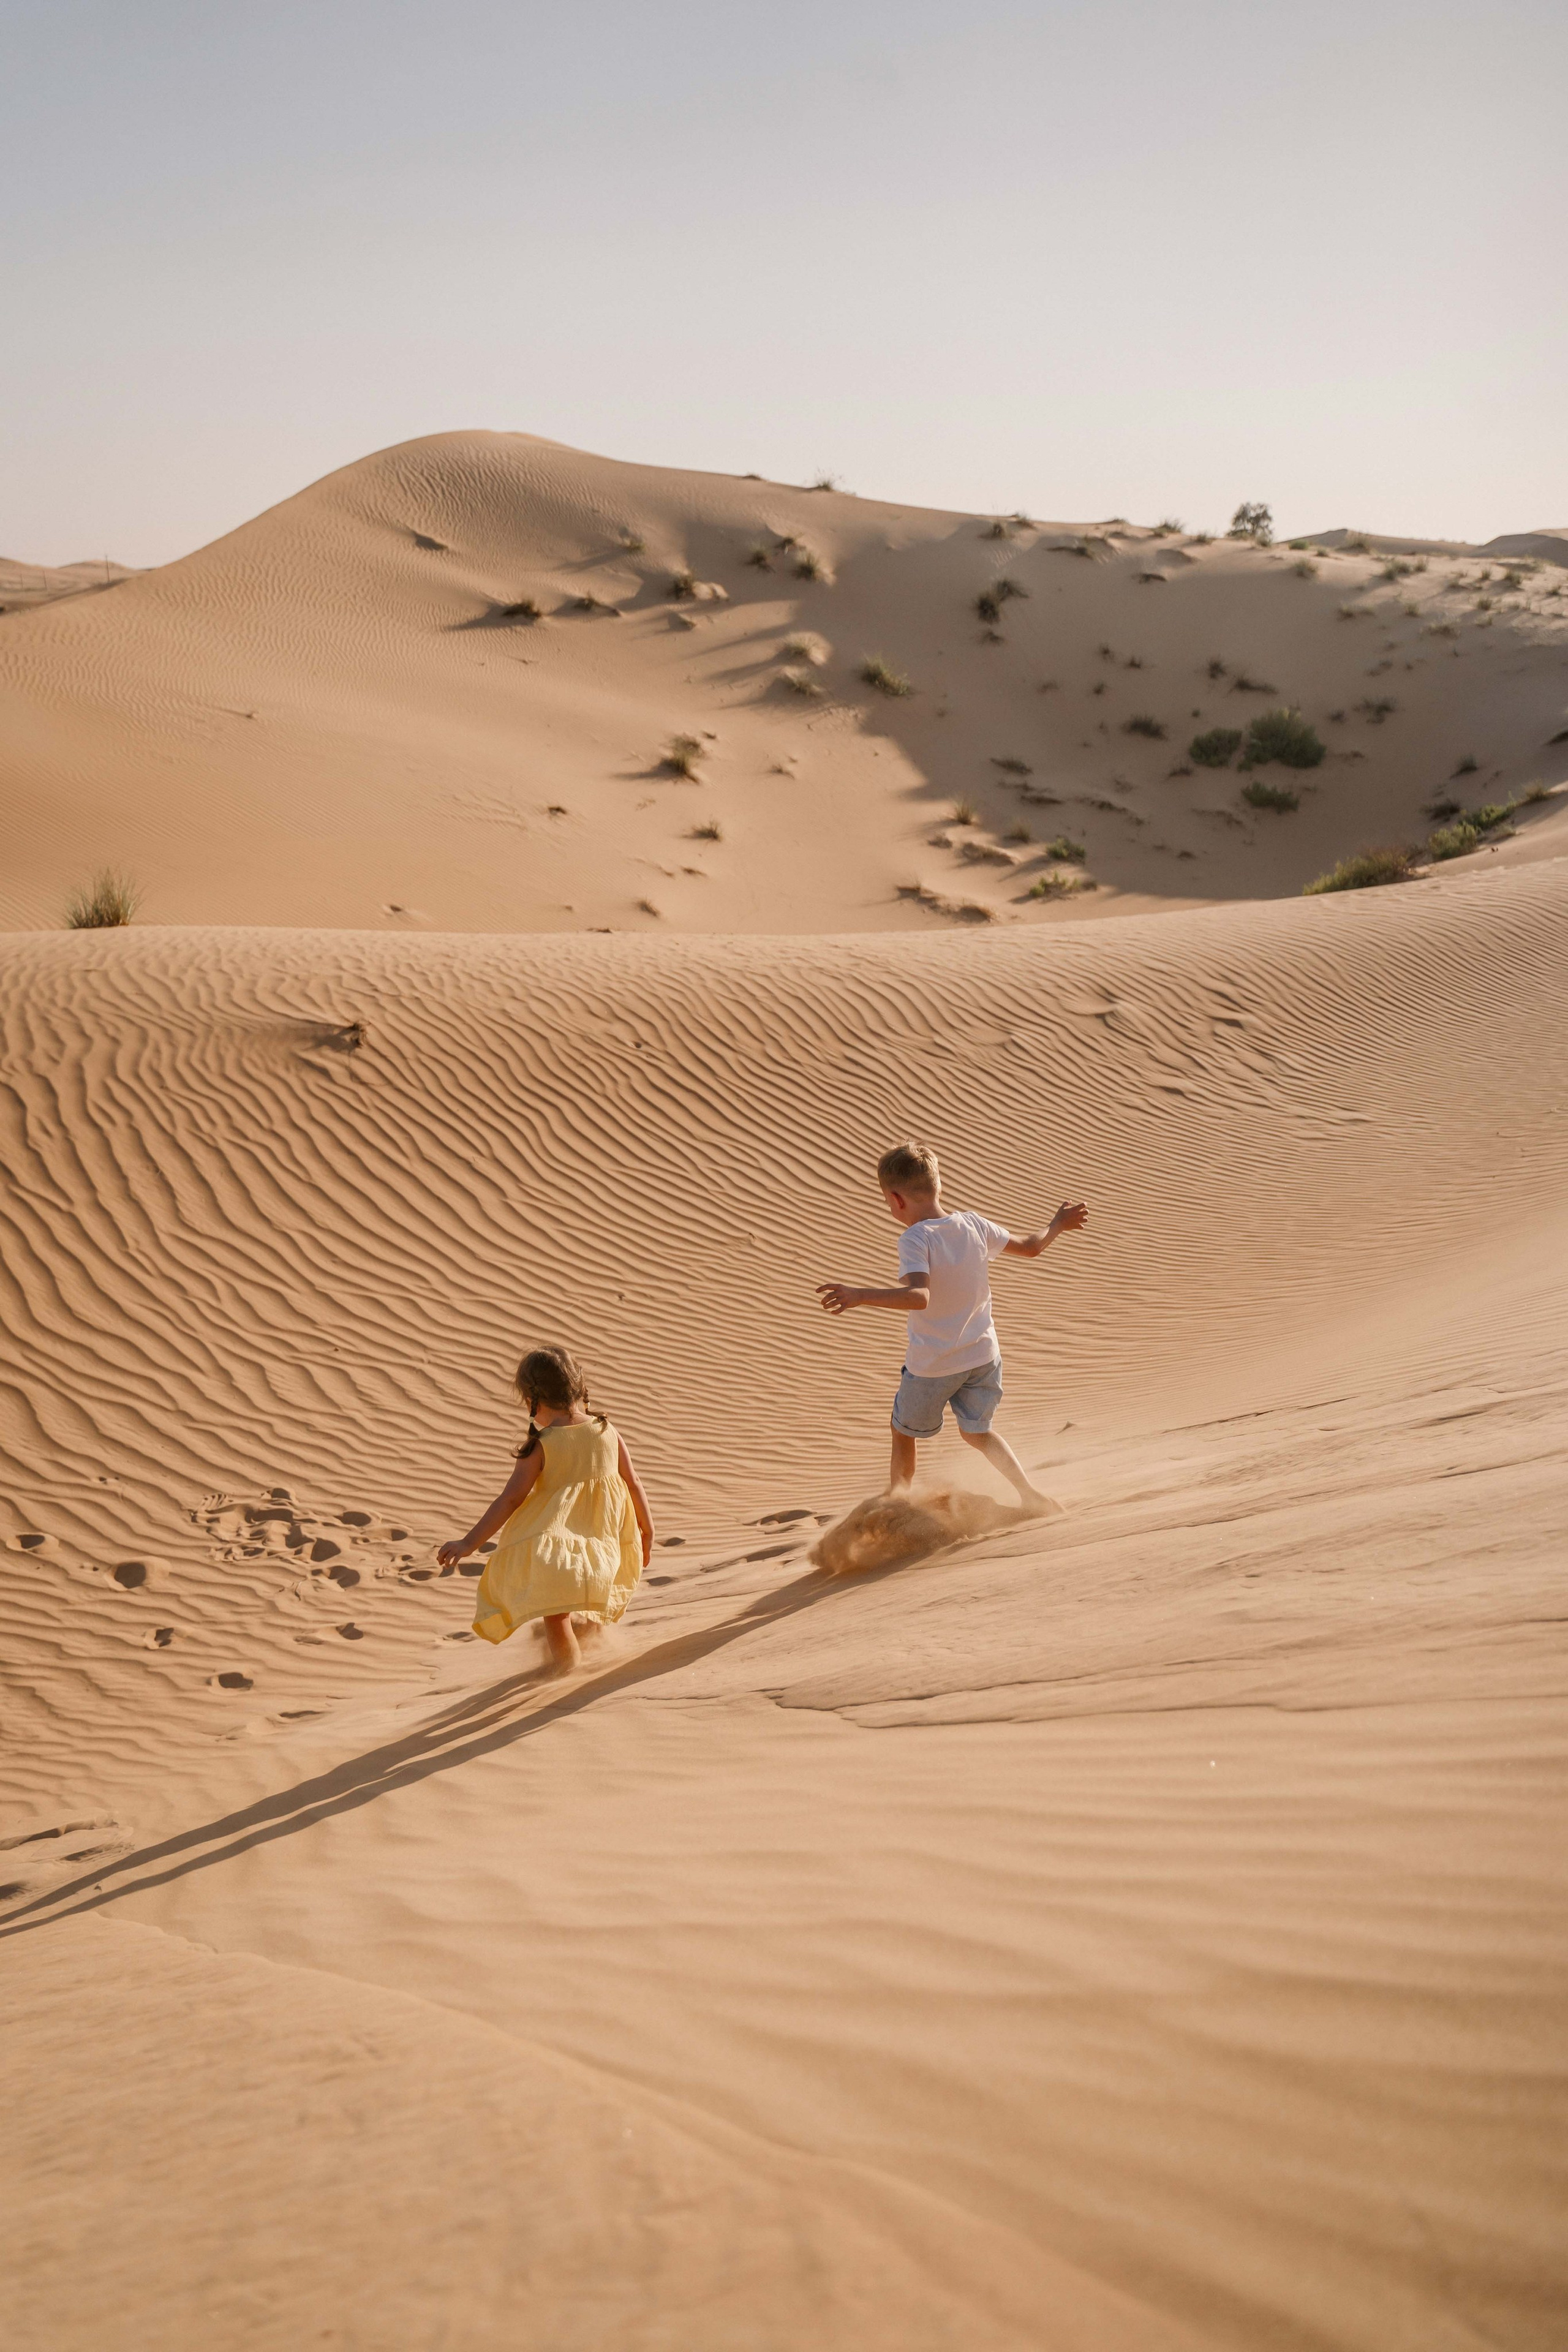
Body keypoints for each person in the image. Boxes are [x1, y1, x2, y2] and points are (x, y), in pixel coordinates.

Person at [816, 1142, 1087, 1511]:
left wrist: (860, 1295)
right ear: (938, 1187)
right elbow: (1031, 1247)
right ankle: (1029, 1495)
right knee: (978, 1431)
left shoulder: (915, 1237)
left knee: (902, 1430)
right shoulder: (974, 1224)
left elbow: (918, 1297)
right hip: (982, 1357)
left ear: (895, 1200)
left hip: (934, 1365)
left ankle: (898, 1502)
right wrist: (1057, 1224)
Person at [437, 1344, 654, 1672]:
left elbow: (510, 1499)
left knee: (556, 1613)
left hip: (558, 1545)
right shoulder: (606, 1430)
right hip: (606, 1540)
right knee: (595, 1596)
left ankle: (567, 1675)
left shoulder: (542, 1445)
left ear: (532, 1400)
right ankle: (588, 1650)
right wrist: (648, 1531)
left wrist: (469, 1543)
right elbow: (634, 1482)